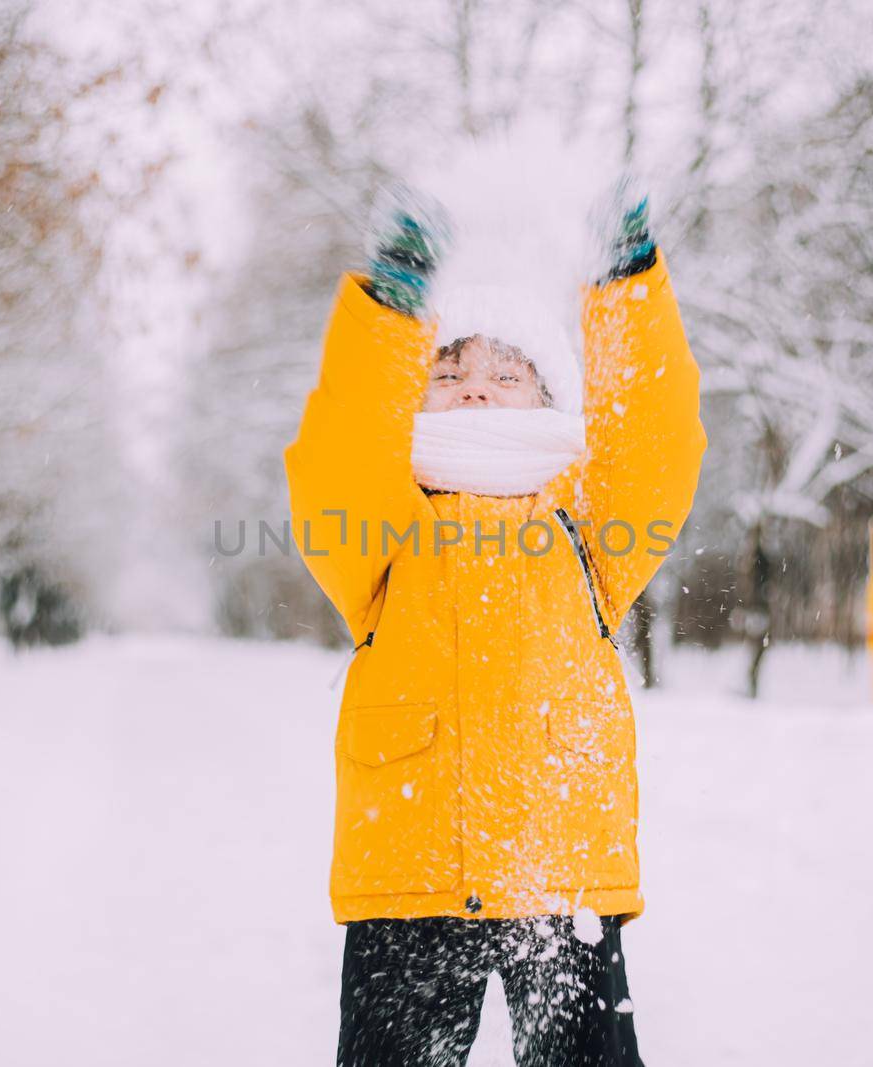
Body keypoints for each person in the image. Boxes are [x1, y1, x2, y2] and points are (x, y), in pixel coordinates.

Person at [283, 185, 706, 1066]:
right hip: (409, 880)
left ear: (547, 400)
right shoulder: (384, 533)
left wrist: (626, 282)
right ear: (413, 394)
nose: (474, 386)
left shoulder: (589, 527)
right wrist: (390, 306)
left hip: (560, 872)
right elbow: (340, 456)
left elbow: (654, 442)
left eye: (505, 374)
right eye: (448, 371)